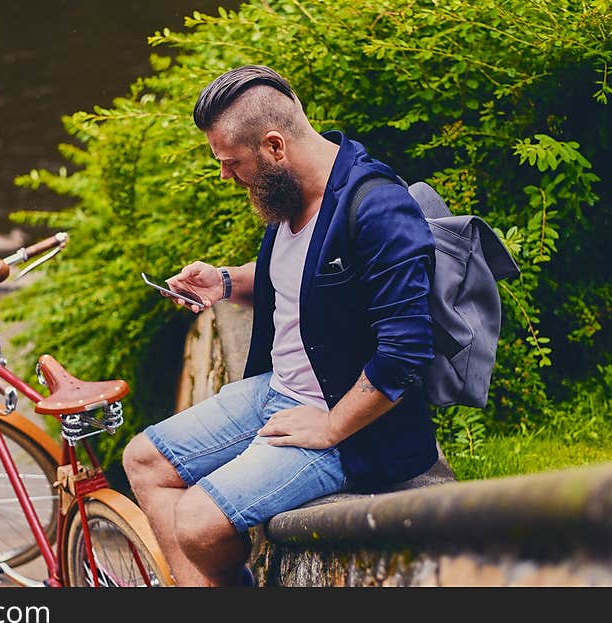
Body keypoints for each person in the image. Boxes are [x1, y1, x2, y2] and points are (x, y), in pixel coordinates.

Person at [122, 65, 438, 587]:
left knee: (198, 522)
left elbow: (405, 350)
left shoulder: (378, 209)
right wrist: (225, 282)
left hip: (354, 431)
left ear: (273, 146)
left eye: (230, 162)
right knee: (144, 460)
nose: (225, 175)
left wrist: (332, 425)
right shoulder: (292, 199)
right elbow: (298, 282)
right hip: (279, 392)